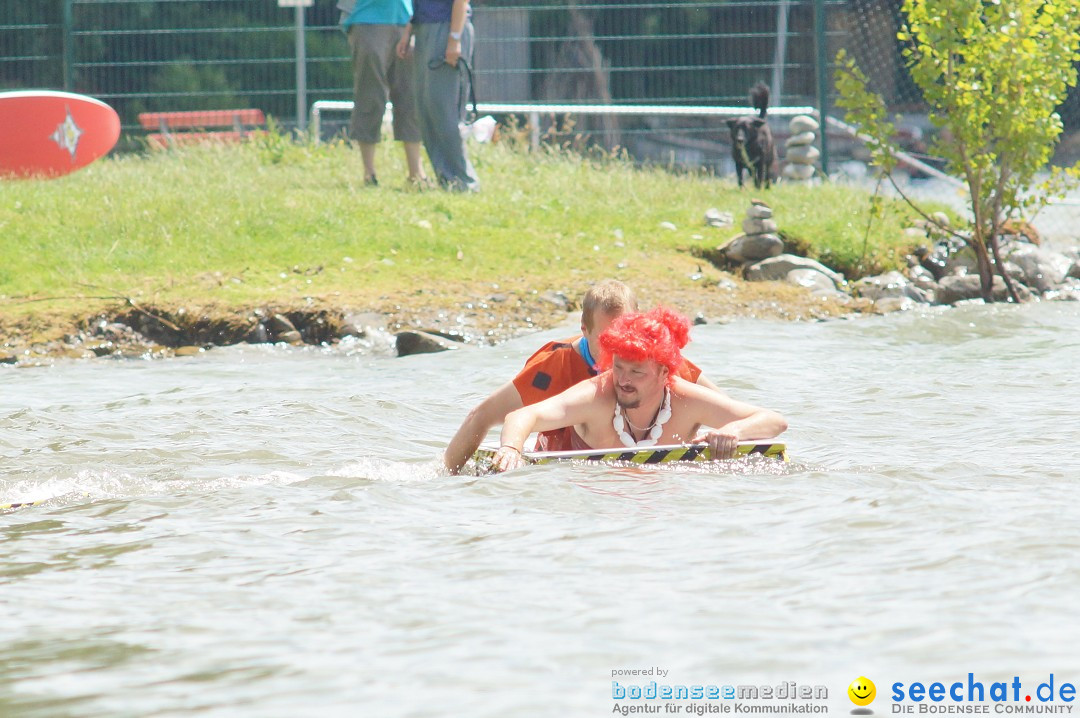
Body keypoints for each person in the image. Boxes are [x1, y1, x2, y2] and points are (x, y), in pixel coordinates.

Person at [443, 280, 725, 474]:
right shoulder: (553, 365)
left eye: (626, 333)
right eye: (607, 339)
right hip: (564, 471)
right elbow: (480, 416)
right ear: (584, 329)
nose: (619, 348)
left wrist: (722, 438)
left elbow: (728, 409)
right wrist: (449, 481)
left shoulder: (657, 364)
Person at [490, 307, 787, 473]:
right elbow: (521, 417)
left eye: (636, 372)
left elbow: (774, 421)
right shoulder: (595, 395)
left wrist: (734, 432)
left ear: (663, 372)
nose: (622, 379)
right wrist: (511, 448)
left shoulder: (686, 397)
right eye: (618, 367)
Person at [339, 0, 426, 185]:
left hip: (406, 20)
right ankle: (369, 173)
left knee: (410, 96)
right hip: (367, 19)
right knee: (370, 95)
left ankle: (416, 173)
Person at [396, 0, 479, 191]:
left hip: (447, 30)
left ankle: (464, 182)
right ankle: (447, 180)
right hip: (424, 29)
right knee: (426, 109)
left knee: (444, 110)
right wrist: (408, 31)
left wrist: (455, 39)